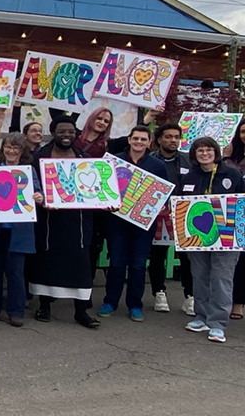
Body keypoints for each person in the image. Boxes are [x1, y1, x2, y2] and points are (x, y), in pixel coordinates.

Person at [29, 115, 99, 328]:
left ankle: (81, 311)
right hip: (49, 219)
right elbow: (31, 184)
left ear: (76, 133)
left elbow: (96, 188)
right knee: (46, 261)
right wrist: (39, 197)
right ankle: (44, 306)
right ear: (53, 133)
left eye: (70, 132)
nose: (66, 135)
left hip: (77, 221)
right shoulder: (39, 157)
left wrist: (105, 201)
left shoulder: (84, 159)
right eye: (62, 131)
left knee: (80, 264)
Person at [178, 136, 245, 343]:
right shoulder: (189, 178)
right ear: (194, 155)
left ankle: (218, 323)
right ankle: (201, 316)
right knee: (199, 276)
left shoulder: (232, 174)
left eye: (208, 150)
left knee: (221, 278)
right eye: (200, 151)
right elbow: (180, 205)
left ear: (216, 152)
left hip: (226, 238)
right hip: (197, 237)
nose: (204, 154)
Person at [99, 126, 169, 321]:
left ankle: (135, 305)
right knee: (117, 262)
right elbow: (104, 188)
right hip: (116, 221)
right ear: (129, 139)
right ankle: (110, 301)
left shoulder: (157, 165)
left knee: (138, 265)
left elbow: (164, 194)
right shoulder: (114, 161)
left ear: (149, 142)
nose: (139, 142)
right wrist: (105, 203)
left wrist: (161, 207)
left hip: (143, 223)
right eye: (135, 138)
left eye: (143, 139)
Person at [0, 133, 39, 326]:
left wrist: (39, 196)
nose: (11, 151)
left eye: (16, 148)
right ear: (2, 149)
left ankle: (16, 311)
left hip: (20, 231)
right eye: (8, 147)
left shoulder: (28, 171)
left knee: (15, 272)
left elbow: (38, 192)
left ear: (22, 151)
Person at [150, 122, 193, 315]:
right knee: (158, 256)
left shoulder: (188, 160)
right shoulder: (150, 159)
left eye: (176, 137)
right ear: (159, 139)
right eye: (168, 136)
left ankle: (190, 296)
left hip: (183, 214)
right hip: (157, 214)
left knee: (187, 257)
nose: (173, 140)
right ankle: (159, 292)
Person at [225, 122, 245, 320]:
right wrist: (225, 157)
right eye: (243, 131)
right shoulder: (231, 156)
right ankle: (227, 300)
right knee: (234, 260)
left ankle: (238, 303)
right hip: (233, 211)